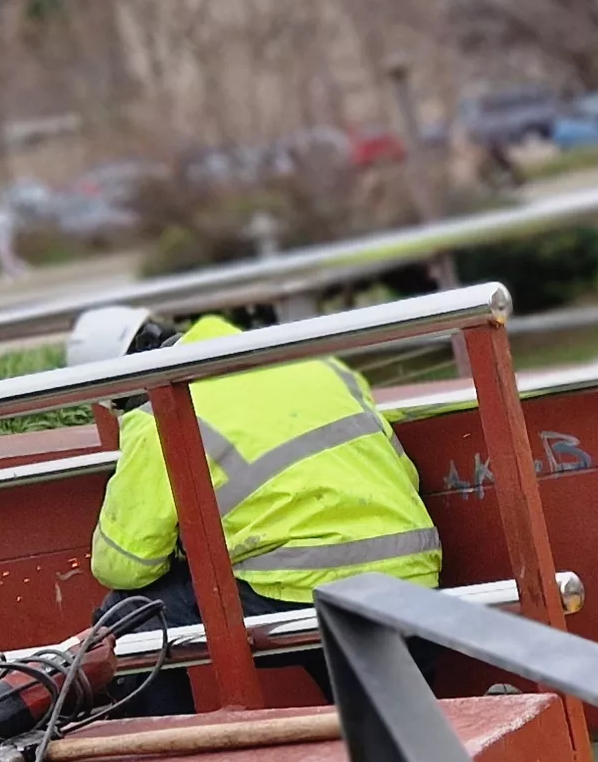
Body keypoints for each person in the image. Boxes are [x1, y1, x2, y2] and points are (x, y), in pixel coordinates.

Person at [70, 303, 443, 715]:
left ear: (122, 383)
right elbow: (404, 473)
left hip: (309, 595)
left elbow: (125, 563)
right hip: (414, 577)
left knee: (127, 621)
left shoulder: (161, 411)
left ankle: (164, 759)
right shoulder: (311, 364)